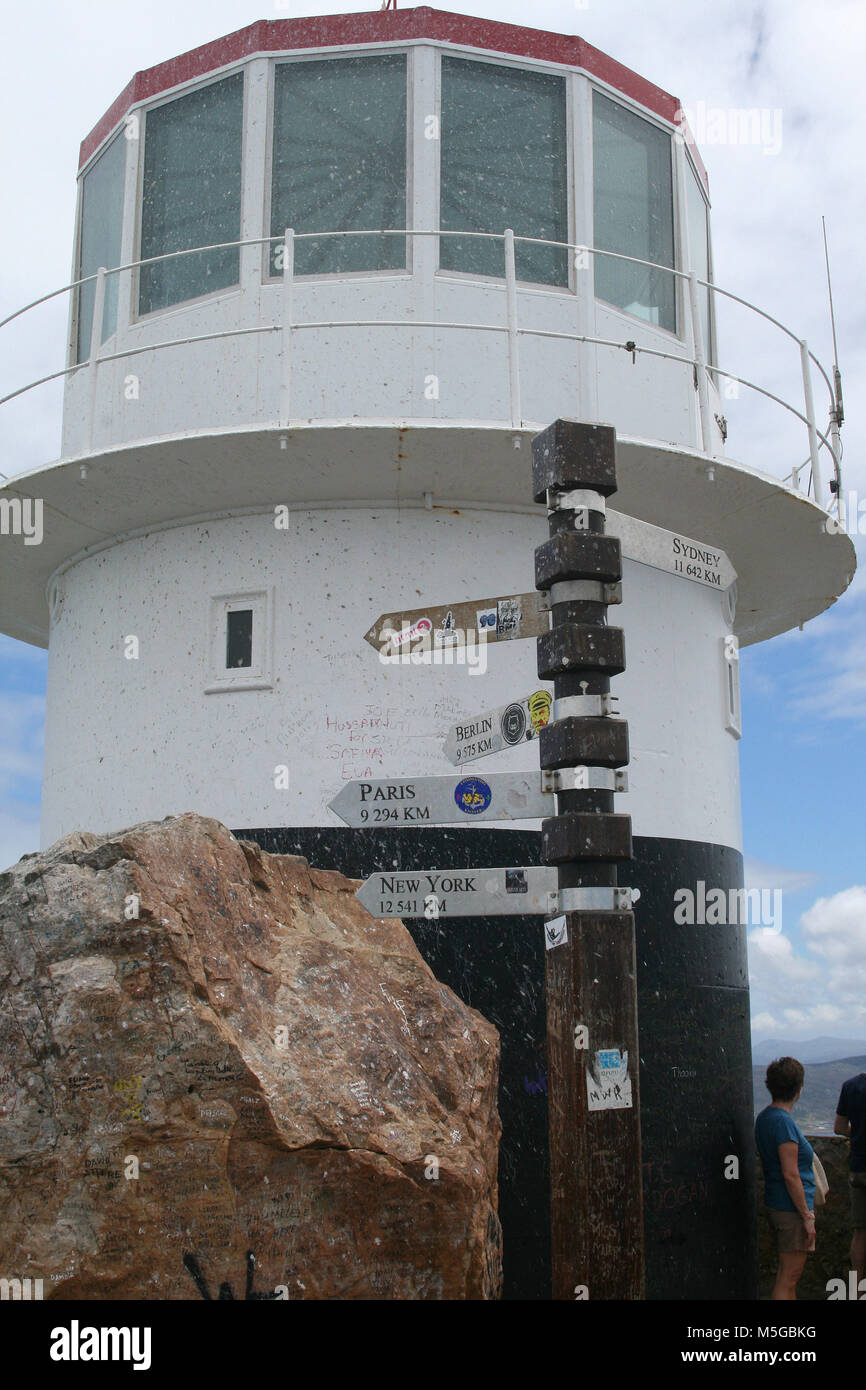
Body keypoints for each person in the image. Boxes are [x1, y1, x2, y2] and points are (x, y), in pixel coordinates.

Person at [755, 1056, 816, 1300]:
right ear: (798, 1089)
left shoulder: (765, 1117)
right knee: (788, 1277)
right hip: (791, 1208)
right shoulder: (784, 1123)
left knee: (786, 1276)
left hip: (777, 1202)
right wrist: (807, 1216)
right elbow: (791, 1174)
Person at [834, 1066, 866, 1291]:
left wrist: (857, 1135)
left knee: (861, 1233)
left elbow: (839, 1127)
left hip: (859, 1168)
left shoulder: (851, 1086)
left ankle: (856, 1292)